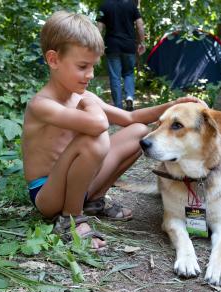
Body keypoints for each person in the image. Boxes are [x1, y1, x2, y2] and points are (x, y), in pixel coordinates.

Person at [22, 10, 200, 250]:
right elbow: (99, 125)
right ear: (53, 60)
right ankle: (70, 219)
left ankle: (94, 201)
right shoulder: (42, 105)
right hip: (48, 193)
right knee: (94, 141)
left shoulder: (83, 95)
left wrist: (172, 105)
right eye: (83, 66)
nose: (91, 74)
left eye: (94, 66)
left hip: (81, 185)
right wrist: (86, 102)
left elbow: (129, 117)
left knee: (138, 132)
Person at [96, 0, 146, 111]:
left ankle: (118, 107)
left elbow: (99, 28)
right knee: (129, 73)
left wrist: (98, 45)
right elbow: (140, 25)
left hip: (112, 46)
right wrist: (142, 42)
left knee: (115, 77)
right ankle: (129, 97)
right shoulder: (131, 5)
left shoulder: (105, 5)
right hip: (128, 46)